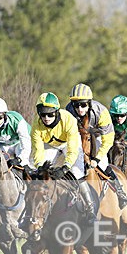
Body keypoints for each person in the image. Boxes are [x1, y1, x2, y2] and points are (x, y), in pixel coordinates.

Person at [29, 92, 95, 223]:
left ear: (57, 112)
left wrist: (65, 168)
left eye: (50, 114)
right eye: (43, 114)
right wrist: (40, 167)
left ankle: (90, 207)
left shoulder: (68, 119)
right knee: (36, 170)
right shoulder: (36, 125)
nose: (46, 118)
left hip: (69, 145)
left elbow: (72, 149)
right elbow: (37, 151)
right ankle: (32, 210)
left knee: (77, 172)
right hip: (50, 145)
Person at [65, 83, 127, 209]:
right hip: (78, 136)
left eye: (83, 104)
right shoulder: (68, 111)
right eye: (76, 105)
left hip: (99, 135)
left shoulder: (101, 111)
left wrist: (97, 158)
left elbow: (109, 138)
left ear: (89, 103)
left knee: (103, 164)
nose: (79, 109)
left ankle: (120, 192)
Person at [0, 97, 32, 168]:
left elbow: (26, 145)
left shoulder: (17, 121)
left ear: (5, 115)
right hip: (2, 145)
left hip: (19, 143)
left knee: (23, 163)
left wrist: (19, 159)